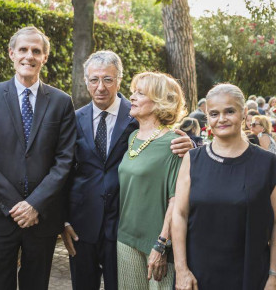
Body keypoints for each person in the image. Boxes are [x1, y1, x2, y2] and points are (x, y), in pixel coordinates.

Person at [61, 52, 192, 290]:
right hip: (82, 227)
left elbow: (167, 141)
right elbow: (64, 169)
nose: (100, 87)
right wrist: (64, 219)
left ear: (118, 80)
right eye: (94, 80)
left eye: (108, 80)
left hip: (121, 225)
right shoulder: (73, 118)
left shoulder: (135, 118)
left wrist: (192, 146)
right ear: (86, 81)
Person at [0, 26, 76, 290]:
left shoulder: (62, 102)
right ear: (11, 54)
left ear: (45, 57)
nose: (29, 56)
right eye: (23, 49)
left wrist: (35, 205)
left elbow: (65, 160)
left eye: (36, 51)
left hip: (41, 220)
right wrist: (17, 205)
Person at [172, 84, 276, 290]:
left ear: (244, 114)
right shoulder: (193, 160)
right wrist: (181, 269)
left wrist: (273, 275)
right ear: (207, 118)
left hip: (250, 274)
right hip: (197, 275)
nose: (221, 119)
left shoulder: (268, 163)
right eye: (214, 113)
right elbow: (179, 215)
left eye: (230, 111)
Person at [116, 72, 186, 289]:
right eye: (133, 92)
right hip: (126, 238)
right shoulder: (132, 138)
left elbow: (176, 200)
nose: (132, 97)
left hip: (156, 244)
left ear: (160, 103)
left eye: (140, 93)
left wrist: (161, 244)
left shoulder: (173, 144)